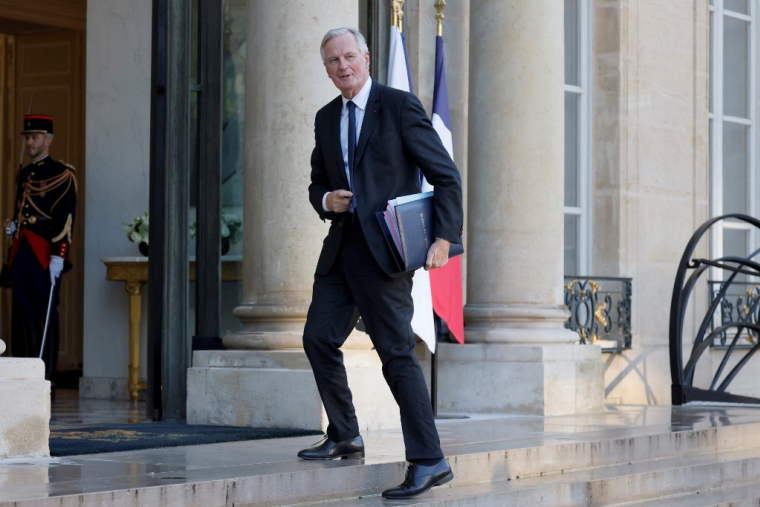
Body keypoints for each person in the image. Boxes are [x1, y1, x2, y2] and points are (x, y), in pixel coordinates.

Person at [298, 28, 463, 500]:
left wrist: (445, 238)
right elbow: (316, 183)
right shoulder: (326, 118)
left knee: (395, 354)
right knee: (317, 338)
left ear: (366, 58)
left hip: (386, 252)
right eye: (332, 60)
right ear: (326, 67)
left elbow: (445, 176)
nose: (342, 66)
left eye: (349, 56)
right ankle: (345, 433)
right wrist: (326, 198)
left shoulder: (398, 106)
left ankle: (430, 460)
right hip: (341, 247)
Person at [4, 114, 77, 392]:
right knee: (20, 310)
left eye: (33, 137)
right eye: (27, 137)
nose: (28, 142)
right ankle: (23, 371)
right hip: (23, 249)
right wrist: (14, 225)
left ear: (48, 140)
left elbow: (66, 218)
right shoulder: (24, 174)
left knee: (43, 312)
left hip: (44, 251)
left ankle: (47, 373)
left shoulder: (62, 174)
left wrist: (59, 254)